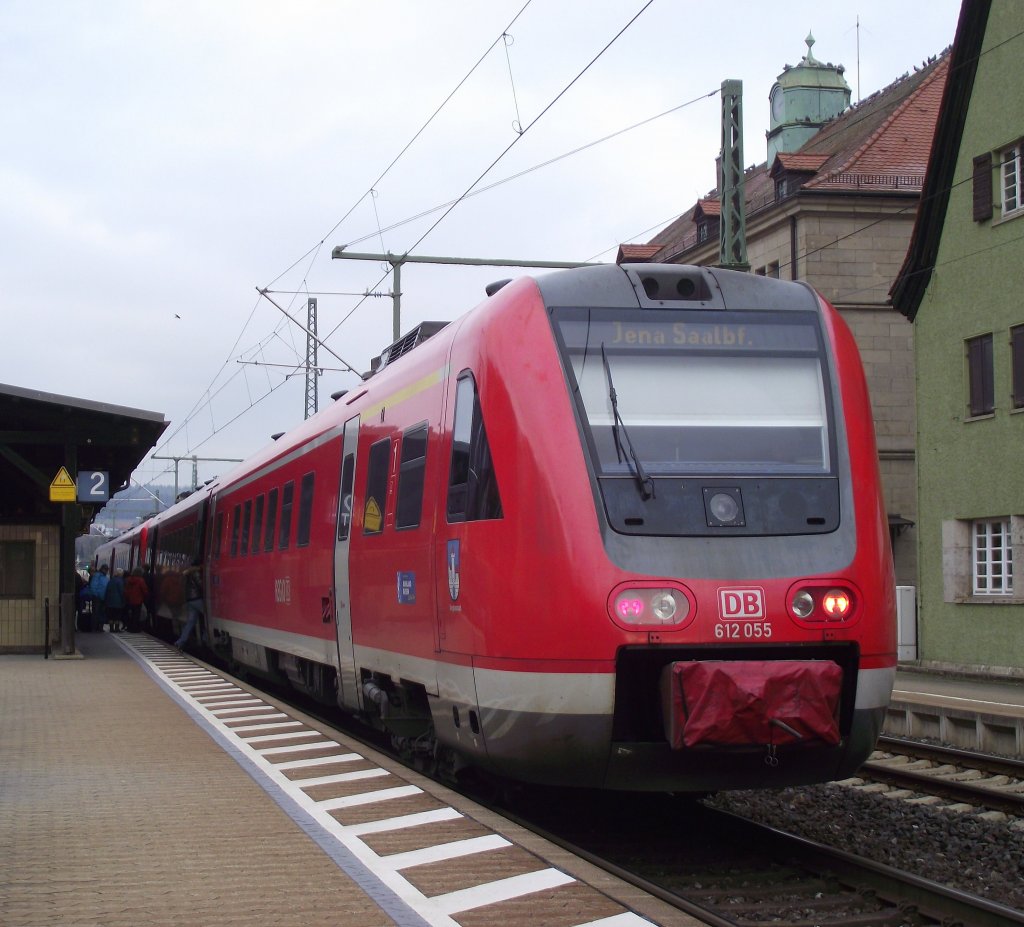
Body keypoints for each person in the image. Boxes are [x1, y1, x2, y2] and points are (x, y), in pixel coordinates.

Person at [175, 559, 204, 650]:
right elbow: (200, 584)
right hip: (197, 600)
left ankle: (180, 642)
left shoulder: (188, 573)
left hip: (189, 600)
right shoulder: (195, 572)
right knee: (210, 618)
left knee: (190, 622)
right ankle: (205, 638)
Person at [124, 568, 149, 633]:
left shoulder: (129, 579)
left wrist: (127, 597)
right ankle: (135, 629)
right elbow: (144, 590)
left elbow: (126, 589)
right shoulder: (141, 580)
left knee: (131, 614)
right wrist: (145, 596)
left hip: (130, 600)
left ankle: (129, 627)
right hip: (138, 600)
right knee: (136, 615)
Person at [87, 565, 110, 631]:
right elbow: (93, 586)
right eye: (105, 569)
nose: (106, 571)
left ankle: (100, 627)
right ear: (102, 569)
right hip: (97, 597)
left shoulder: (105, 577)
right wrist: (96, 595)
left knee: (102, 613)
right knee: (96, 612)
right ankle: (94, 627)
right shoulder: (97, 576)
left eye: (107, 570)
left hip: (103, 598)